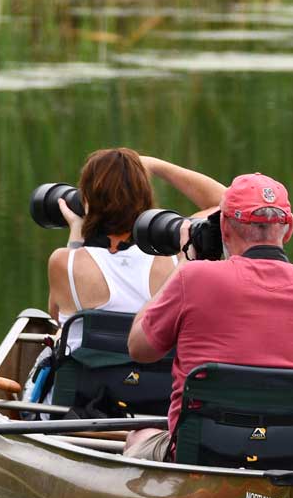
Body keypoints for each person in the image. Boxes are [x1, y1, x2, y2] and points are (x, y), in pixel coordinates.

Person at [124, 173, 293, 473]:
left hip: (200, 455)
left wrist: (184, 263)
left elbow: (139, 349)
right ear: (289, 229)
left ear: (223, 227)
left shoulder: (193, 278)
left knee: (138, 436)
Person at [47, 148, 224, 352]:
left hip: (88, 382)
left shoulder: (63, 263)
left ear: (86, 199)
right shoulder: (177, 256)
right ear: (145, 195)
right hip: (155, 381)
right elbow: (224, 202)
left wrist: (76, 235)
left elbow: (58, 321)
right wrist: (154, 164)